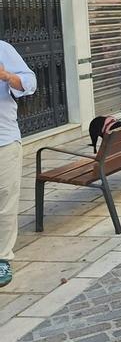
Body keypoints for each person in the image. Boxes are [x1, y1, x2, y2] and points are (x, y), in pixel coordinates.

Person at [0, 41, 36, 287]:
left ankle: (2, 257)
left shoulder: (3, 49)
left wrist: (6, 76)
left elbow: (30, 82)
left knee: (5, 200)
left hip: (3, 139)